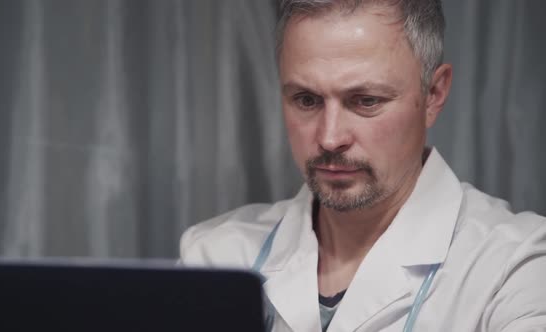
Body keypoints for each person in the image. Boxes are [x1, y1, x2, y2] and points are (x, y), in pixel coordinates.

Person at [179, 0, 546, 331]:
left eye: (366, 100)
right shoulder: (213, 258)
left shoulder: (516, 267)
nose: (330, 137)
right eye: (306, 100)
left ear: (434, 94)